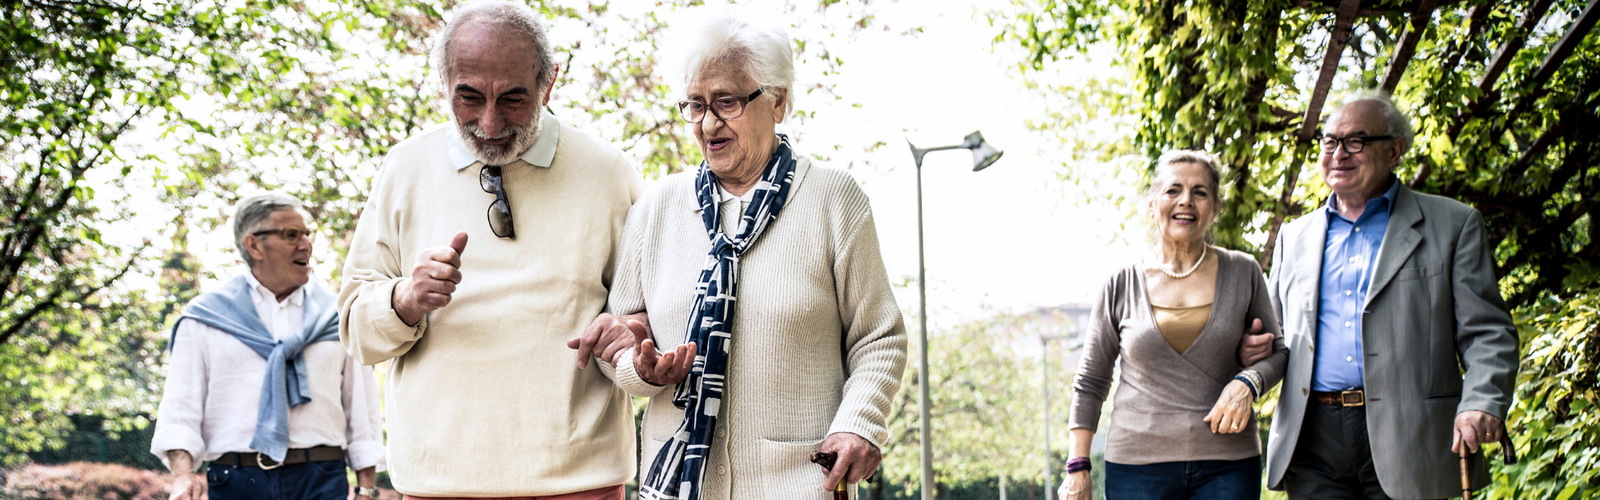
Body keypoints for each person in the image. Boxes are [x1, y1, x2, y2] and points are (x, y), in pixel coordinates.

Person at [589, 10, 907, 500]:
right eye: (696, 105)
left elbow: (879, 337)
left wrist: (859, 423)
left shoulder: (833, 199)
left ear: (777, 101)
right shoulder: (656, 208)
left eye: (727, 102)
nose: (708, 123)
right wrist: (638, 367)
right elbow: (620, 341)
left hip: (800, 483)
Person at [337, 1, 643, 498]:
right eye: (469, 96)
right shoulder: (405, 168)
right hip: (438, 483)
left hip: (579, 481)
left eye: (513, 98)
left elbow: (648, 315)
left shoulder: (610, 173)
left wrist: (632, 330)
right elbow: (355, 331)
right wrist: (406, 299)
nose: (490, 121)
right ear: (444, 84)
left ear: (549, 83)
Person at [1262, 91, 1520, 499]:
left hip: (1412, 437)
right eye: (1330, 142)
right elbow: (1272, 336)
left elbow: (1488, 333)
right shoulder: (1293, 236)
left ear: (1395, 151)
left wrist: (1483, 400)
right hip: (1312, 440)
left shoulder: (1454, 224)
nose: (1339, 154)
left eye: (1356, 141)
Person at [1059, 150, 1288, 500]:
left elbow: (1278, 354)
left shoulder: (1244, 271)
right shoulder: (1121, 282)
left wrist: (1248, 381)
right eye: (1173, 190)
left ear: (1215, 207)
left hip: (1228, 464)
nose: (1186, 201)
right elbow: (1091, 380)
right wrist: (1078, 466)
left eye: (1200, 192)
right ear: (1152, 204)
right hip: (1137, 467)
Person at [153, 193, 384, 500]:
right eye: (291, 235)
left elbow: (362, 410)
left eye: (307, 234)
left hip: (321, 480)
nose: (306, 245)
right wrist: (182, 476)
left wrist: (367, 490)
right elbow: (181, 408)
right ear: (254, 245)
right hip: (235, 482)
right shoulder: (205, 319)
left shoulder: (339, 316)